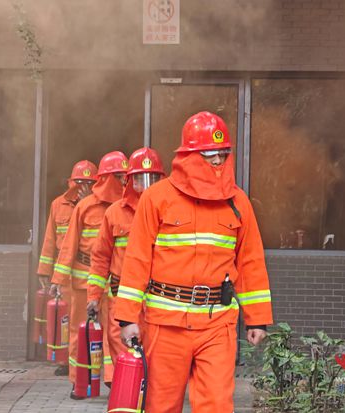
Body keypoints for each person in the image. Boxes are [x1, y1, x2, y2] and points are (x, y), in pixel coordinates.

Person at [114, 112, 273, 413]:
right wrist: (127, 318)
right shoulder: (156, 198)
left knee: (217, 405)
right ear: (189, 156)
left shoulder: (238, 203)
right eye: (211, 156)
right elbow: (136, 260)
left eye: (223, 155)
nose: (218, 162)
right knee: (161, 406)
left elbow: (250, 262)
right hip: (165, 324)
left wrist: (257, 319)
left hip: (217, 325)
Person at [52, 151, 129, 396]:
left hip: (116, 282)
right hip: (84, 279)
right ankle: (79, 382)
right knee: (80, 332)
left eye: (125, 176)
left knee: (115, 333)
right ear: (106, 178)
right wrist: (58, 279)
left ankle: (113, 379)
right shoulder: (84, 207)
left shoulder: (129, 207)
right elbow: (69, 244)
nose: (124, 181)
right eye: (119, 176)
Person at [87, 147, 165, 374]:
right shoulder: (114, 213)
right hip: (121, 301)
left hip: (159, 302)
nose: (147, 186)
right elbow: (101, 257)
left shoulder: (170, 212)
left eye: (153, 179)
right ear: (130, 181)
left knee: (157, 363)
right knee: (123, 360)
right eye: (140, 179)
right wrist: (94, 296)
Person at [37, 160, 97, 376]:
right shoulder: (58, 205)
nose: (83, 187)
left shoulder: (100, 206)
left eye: (89, 183)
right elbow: (50, 240)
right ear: (70, 182)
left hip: (91, 275)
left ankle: (91, 364)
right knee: (67, 321)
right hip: (66, 276)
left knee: (90, 323)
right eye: (79, 182)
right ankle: (67, 363)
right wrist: (45, 271)